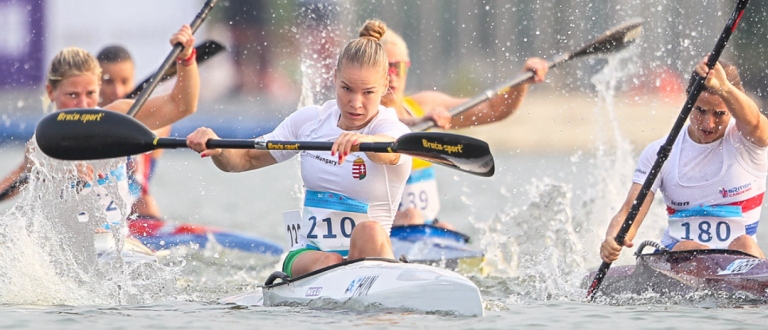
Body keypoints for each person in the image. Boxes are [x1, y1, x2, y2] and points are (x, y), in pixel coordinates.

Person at [186, 20, 411, 278]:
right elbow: (244, 159)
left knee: (369, 231)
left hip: (368, 256)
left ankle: (377, 299)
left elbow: (390, 151)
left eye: (368, 92)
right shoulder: (310, 121)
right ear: (335, 77)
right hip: (310, 256)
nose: (355, 103)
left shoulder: (392, 129)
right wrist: (217, 146)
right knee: (331, 259)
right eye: (346, 88)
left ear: (384, 86)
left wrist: (364, 142)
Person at [0, 25, 199, 238]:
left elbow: (183, 105)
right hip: (68, 240)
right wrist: (63, 172)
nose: (83, 104)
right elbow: (27, 174)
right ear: (51, 92)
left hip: (115, 238)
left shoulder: (120, 116)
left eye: (90, 93)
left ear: (98, 89)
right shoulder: (41, 142)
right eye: (72, 95)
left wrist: (186, 58)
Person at [600, 57, 768, 263]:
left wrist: (724, 87)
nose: (708, 123)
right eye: (700, 110)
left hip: (740, 260)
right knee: (689, 247)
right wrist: (612, 239)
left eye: (719, 114)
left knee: (744, 243)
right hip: (681, 256)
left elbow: (755, 121)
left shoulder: (749, 143)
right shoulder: (659, 153)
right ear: (689, 100)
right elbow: (629, 211)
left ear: (732, 108)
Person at [378, 28, 550, 229]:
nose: (392, 76)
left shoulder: (423, 105)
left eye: (397, 67)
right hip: (384, 226)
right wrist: (418, 122)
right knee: (412, 216)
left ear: (407, 68)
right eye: (385, 68)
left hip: (424, 225)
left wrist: (521, 82)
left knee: (446, 227)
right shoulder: (360, 116)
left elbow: (494, 109)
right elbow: (389, 124)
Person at [96, 45, 171, 219]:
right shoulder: (79, 124)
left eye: (124, 82)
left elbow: (179, 107)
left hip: (141, 217)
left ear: (134, 81)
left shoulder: (152, 123)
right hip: (96, 219)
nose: (118, 91)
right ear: (95, 82)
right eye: (108, 82)